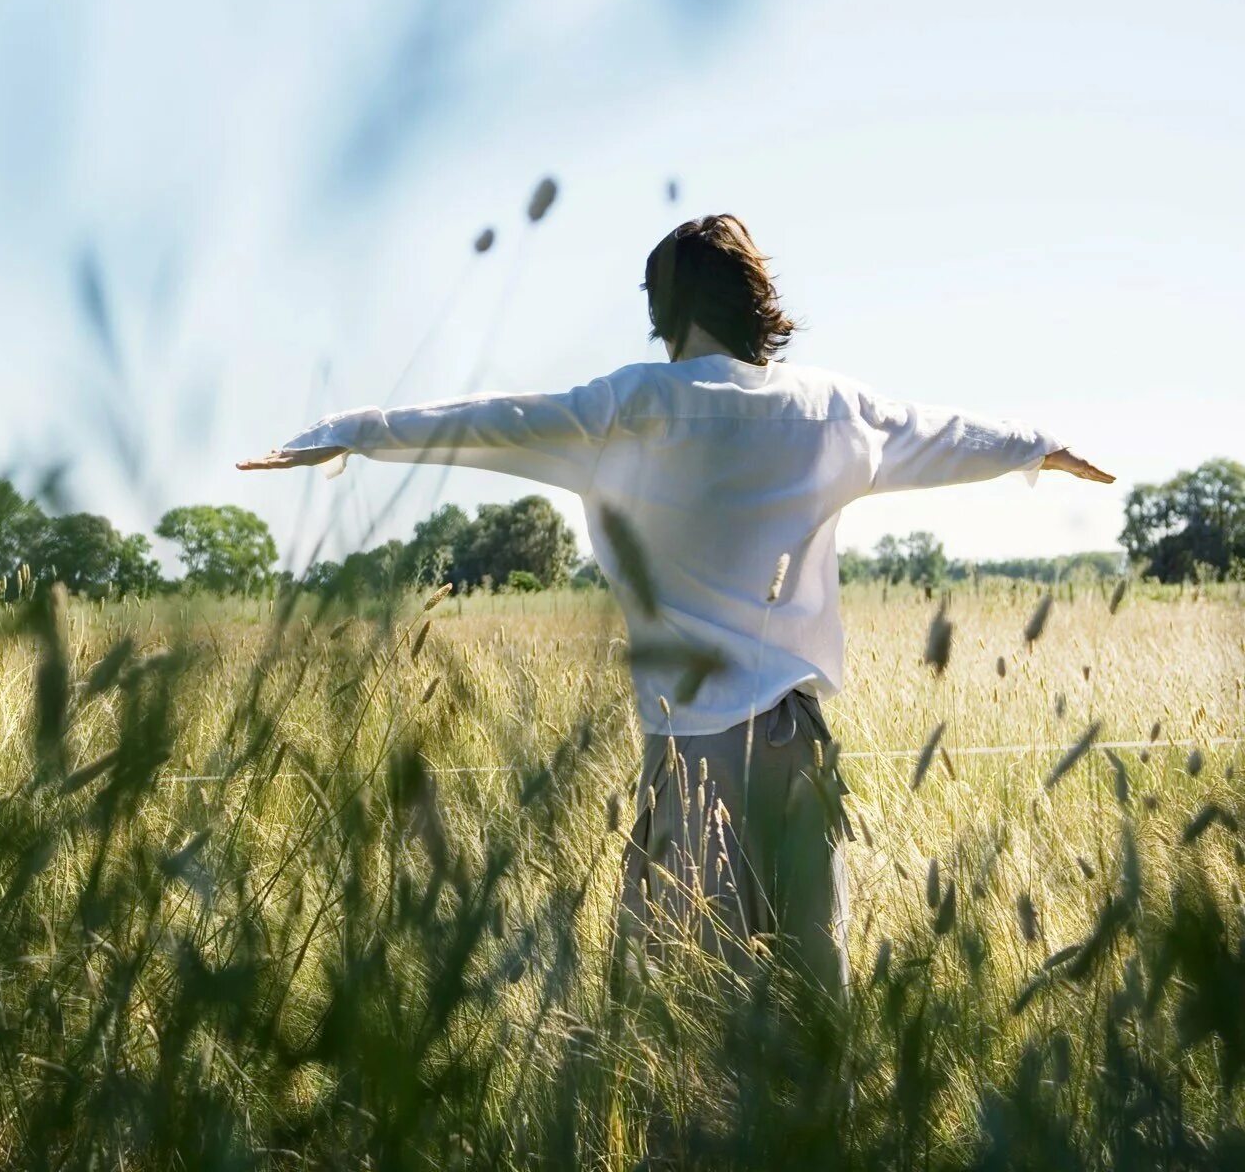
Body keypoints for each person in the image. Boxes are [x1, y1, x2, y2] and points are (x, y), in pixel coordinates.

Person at [236, 214, 1114, 998]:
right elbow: (944, 433)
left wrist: (346, 430)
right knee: (814, 982)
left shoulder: (629, 405)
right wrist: (1041, 446)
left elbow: (487, 418)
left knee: (687, 990)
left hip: (691, 753)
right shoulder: (826, 407)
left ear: (664, 310)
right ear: (754, 304)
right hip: (799, 744)